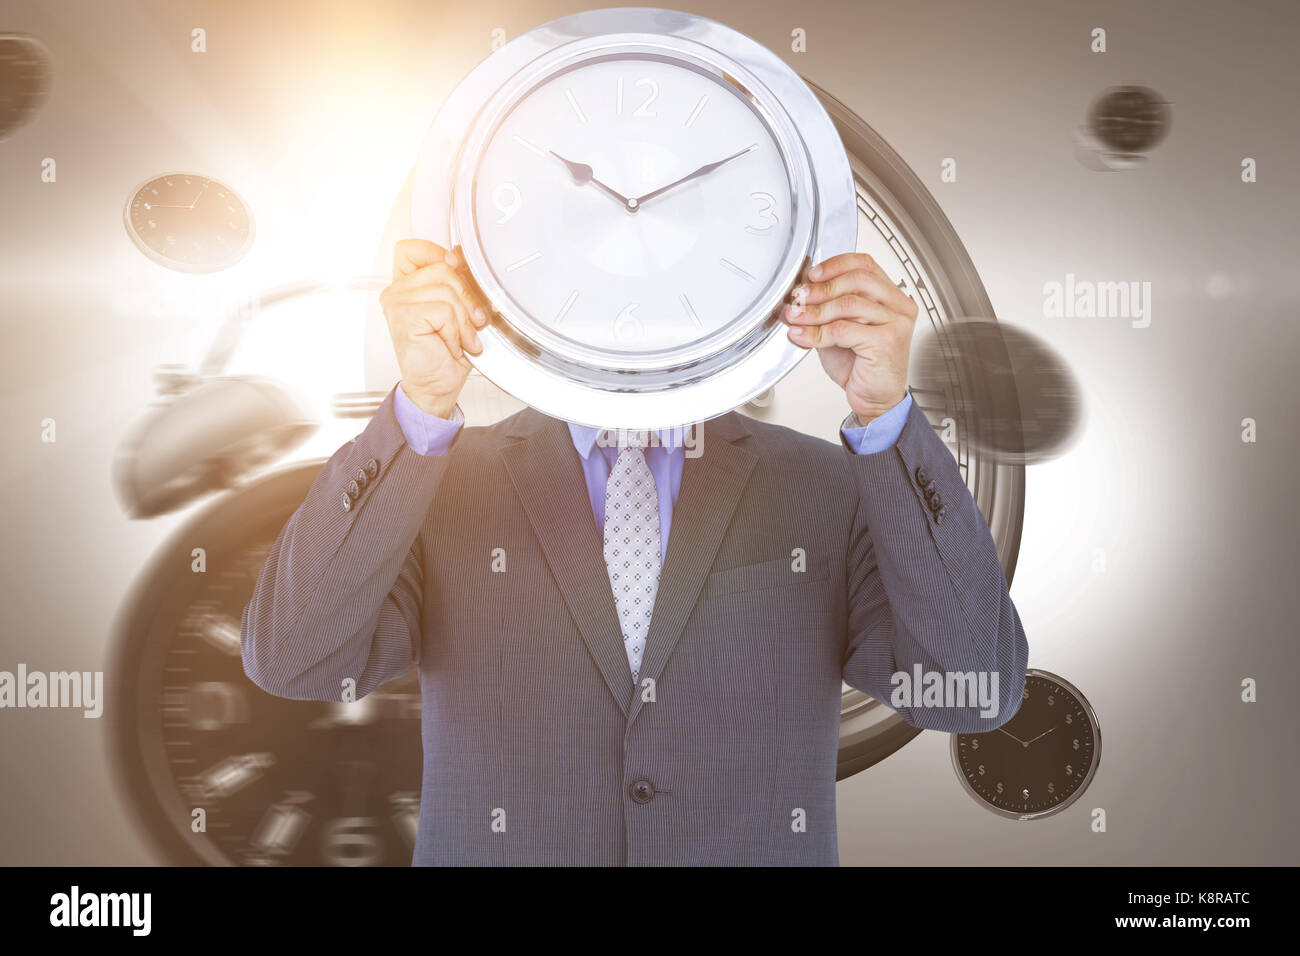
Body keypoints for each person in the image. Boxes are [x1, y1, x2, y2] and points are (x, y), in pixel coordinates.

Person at [241, 238, 1028, 865]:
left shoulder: (825, 486)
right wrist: (418, 406)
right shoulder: (443, 484)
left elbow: (971, 690)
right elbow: (297, 658)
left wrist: (885, 416)